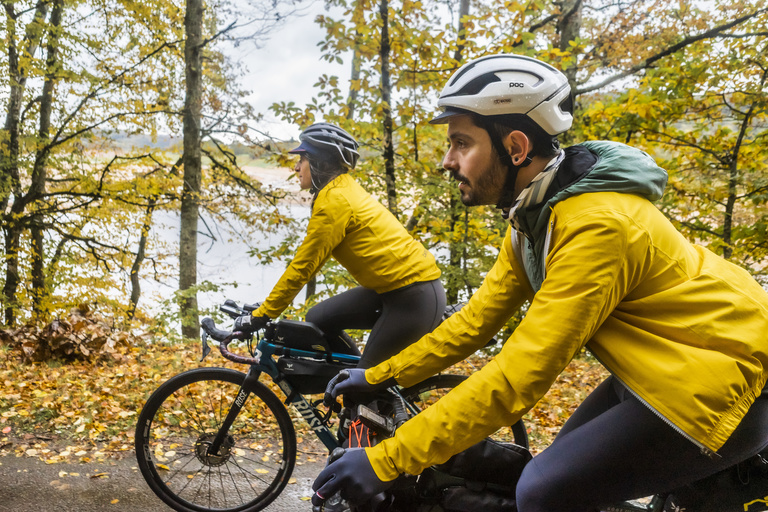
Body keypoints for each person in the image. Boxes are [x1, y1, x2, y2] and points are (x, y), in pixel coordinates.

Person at [312, 54, 768, 512]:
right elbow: (475, 321)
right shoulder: (533, 219)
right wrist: (378, 375)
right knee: (548, 478)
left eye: (461, 143)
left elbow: (519, 376)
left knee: (542, 491)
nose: (447, 161)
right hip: (662, 362)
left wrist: (388, 460)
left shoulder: (597, 224)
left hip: (727, 374)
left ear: (515, 147)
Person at [233, 122, 446, 370]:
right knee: (318, 319)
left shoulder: (335, 201)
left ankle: (364, 389)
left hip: (412, 297)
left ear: (318, 162)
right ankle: (349, 376)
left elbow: (303, 267)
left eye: (301, 159)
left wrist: (264, 314)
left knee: (363, 383)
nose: (296, 167)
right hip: (390, 289)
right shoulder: (337, 190)